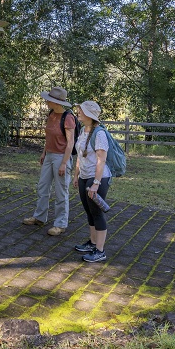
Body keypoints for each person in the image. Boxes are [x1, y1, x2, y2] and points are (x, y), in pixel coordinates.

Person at [23, 87, 76, 236]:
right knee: (42, 187)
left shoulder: (68, 117)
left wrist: (64, 163)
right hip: (49, 155)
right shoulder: (51, 114)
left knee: (61, 192)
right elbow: (49, 137)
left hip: (61, 157)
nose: (46, 101)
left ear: (56, 102)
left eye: (49, 99)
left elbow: (70, 143)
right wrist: (44, 152)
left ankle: (60, 224)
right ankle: (39, 217)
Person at [72, 100, 110, 262]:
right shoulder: (82, 130)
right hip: (84, 177)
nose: (78, 112)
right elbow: (80, 155)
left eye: (81, 110)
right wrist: (76, 175)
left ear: (89, 114)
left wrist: (96, 183)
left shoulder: (99, 134)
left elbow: (101, 160)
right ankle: (92, 243)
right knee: (89, 212)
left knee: (97, 213)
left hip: (98, 178)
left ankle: (100, 251)